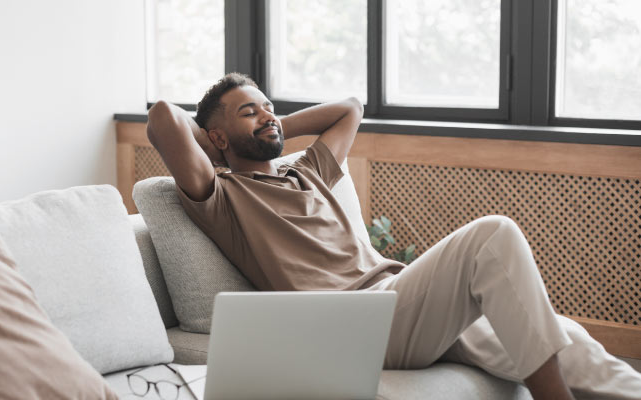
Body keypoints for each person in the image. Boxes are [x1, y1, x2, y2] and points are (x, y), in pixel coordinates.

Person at [146, 72, 641, 400]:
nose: (268, 114)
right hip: (355, 321)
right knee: (493, 235)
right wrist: (225, 143)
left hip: (401, 300)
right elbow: (163, 117)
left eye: (269, 106)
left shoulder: (308, 172)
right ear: (214, 137)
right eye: (248, 112)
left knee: (568, 339)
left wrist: (268, 125)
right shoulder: (222, 196)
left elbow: (350, 107)